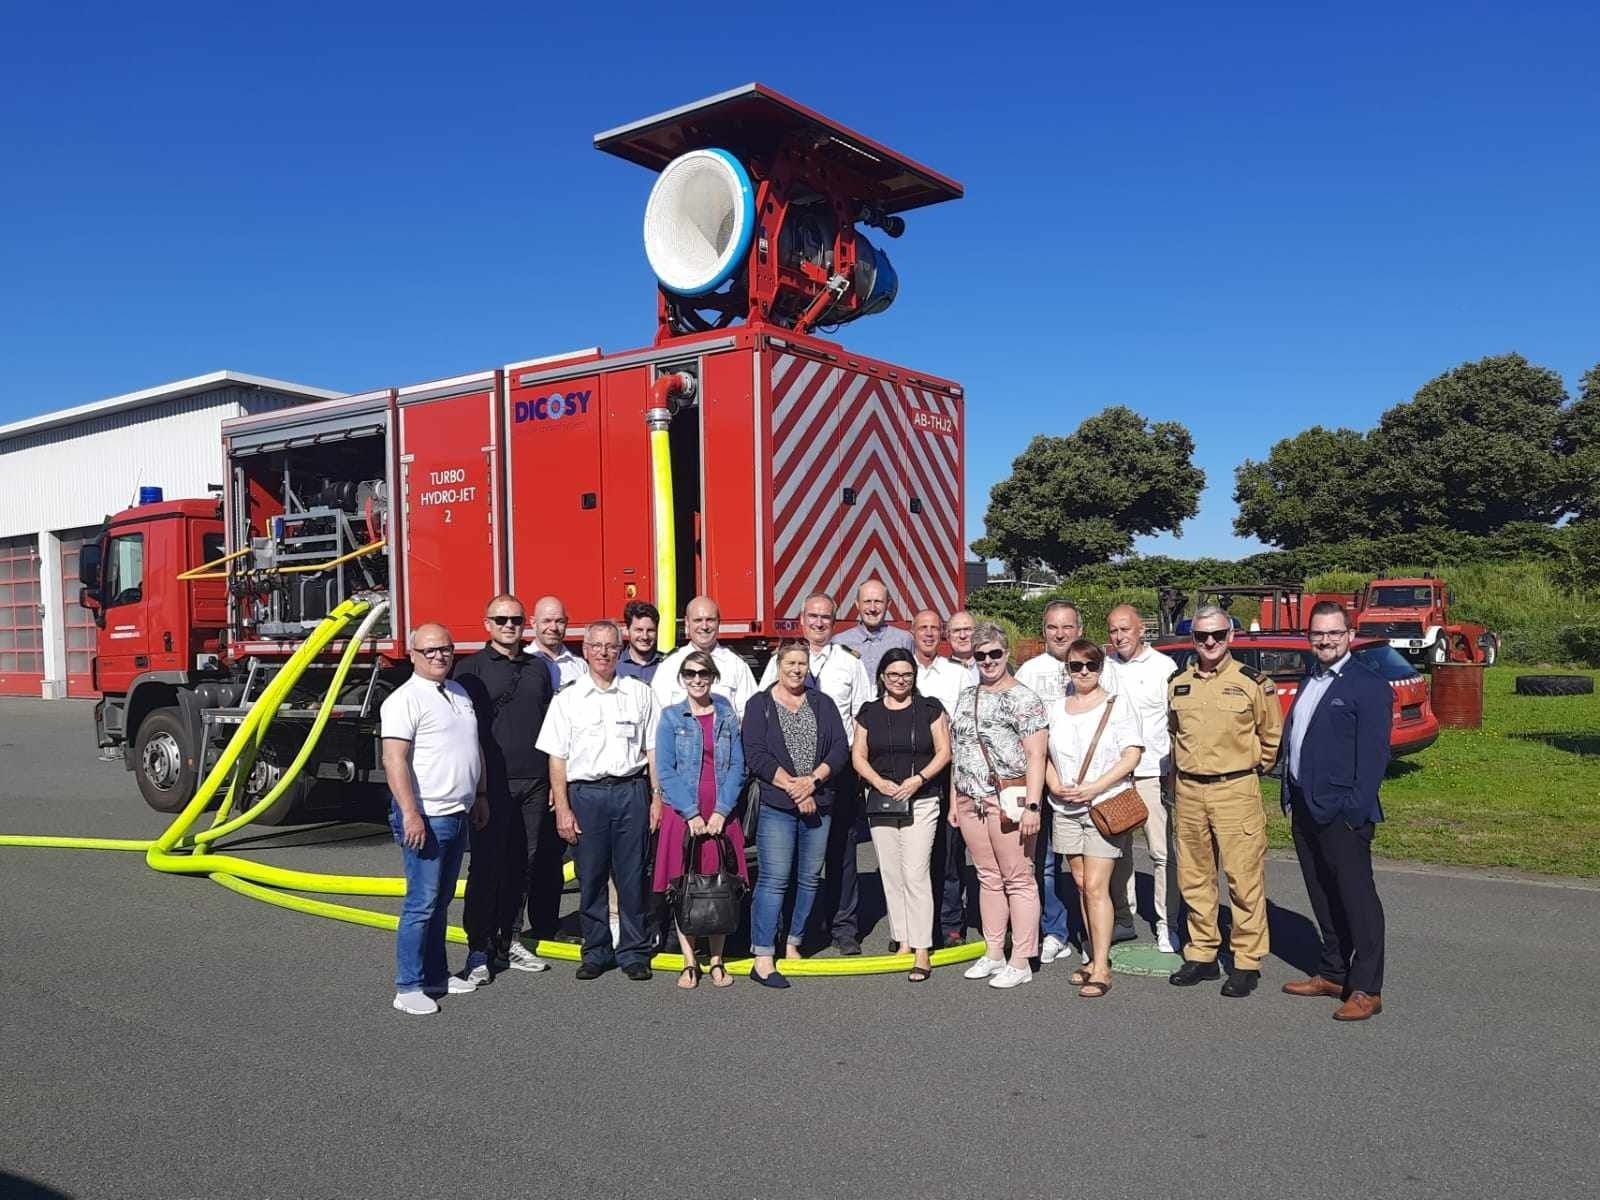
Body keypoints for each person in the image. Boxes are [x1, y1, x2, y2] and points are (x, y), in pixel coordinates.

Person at [1280, 601, 1391, 1021]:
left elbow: (1374, 757)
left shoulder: (1367, 684)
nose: (1325, 640)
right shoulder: (1313, 679)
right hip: (1306, 807)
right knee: (1323, 895)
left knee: (1358, 901)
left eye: (1333, 633)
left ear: (1349, 635)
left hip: (1343, 813)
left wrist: (1354, 809)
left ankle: (1366, 987)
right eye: (1318, 634)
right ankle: (1332, 972)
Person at [1167, 605, 1283, 998]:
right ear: (1193, 640)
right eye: (1203, 637)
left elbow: (1271, 739)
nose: (1211, 642)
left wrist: (1248, 768)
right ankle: (1202, 953)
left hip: (1235, 789)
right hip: (1189, 790)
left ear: (1231, 636)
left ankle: (1246, 960)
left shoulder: (1254, 683)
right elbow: (1174, 735)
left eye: (1218, 634)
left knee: (1243, 878)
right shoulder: (1179, 684)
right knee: (1194, 877)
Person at [537, 620, 662, 980]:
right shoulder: (569, 698)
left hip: (630, 792)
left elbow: (653, 749)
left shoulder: (639, 693)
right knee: (589, 877)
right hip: (586, 796)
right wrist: (562, 808)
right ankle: (596, 951)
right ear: (586, 651)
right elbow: (556, 758)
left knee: (632, 877)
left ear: (620, 651)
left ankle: (634, 952)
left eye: (611, 646)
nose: (604, 653)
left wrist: (657, 798)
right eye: (597, 646)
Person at [380, 623, 490, 1015]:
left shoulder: (458, 693)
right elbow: (394, 760)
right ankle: (407, 985)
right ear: (413, 655)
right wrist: (411, 813)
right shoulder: (403, 700)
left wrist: (479, 794)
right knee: (421, 903)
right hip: (427, 816)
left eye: (445, 649)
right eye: (429, 651)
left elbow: (471, 747)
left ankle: (436, 976)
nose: (439, 656)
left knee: (441, 901)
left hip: (457, 812)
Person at [758, 592, 872, 954]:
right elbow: (764, 713)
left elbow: (860, 718)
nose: (819, 622)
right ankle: (789, 931)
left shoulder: (849, 663)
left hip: (836, 774)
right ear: (802, 619)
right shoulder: (783, 660)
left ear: (834, 622)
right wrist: (794, 782)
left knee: (842, 854)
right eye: (813, 616)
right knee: (789, 859)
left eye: (826, 617)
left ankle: (843, 929)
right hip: (789, 781)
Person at [451, 594, 554, 981]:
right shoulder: (470, 670)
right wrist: (475, 789)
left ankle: (509, 939)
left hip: (533, 783)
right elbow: (463, 733)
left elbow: (549, 725)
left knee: (521, 867)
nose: (510, 625)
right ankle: (478, 948)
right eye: (502, 619)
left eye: (516, 619)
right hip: (490, 786)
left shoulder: (538, 669)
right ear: (487, 624)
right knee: (486, 868)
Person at [741, 641, 850, 988]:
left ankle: (793, 943)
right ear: (778, 664)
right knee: (774, 880)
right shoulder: (760, 705)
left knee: (807, 878)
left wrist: (813, 781)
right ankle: (762, 956)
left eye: (802, 663)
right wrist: (794, 787)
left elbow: (839, 749)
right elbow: (755, 753)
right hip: (777, 804)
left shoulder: (823, 703)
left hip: (819, 802)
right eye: (790, 662)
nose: (796, 669)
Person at [948, 622, 1048, 990]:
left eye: (994, 653)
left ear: (1006, 653)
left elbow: (1037, 756)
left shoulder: (1025, 698)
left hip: (1008, 798)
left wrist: (1034, 806)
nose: (988, 661)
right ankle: (993, 951)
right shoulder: (967, 696)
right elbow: (958, 751)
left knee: (1019, 878)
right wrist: (954, 801)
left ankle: (1021, 958)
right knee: (987, 877)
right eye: (980, 655)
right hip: (968, 797)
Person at [1044, 639, 1143, 998]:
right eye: (1076, 665)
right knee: (1082, 884)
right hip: (1065, 808)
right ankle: (1091, 955)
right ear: (1067, 669)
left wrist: (1094, 786)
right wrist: (1055, 786)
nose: (1083, 671)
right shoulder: (1055, 708)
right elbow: (1045, 755)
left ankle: (1102, 966)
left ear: (1101, 667)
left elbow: (1131, 755)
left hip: (1104, 804)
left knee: (1098, 886)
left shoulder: (1117, 706)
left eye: (1091, 665)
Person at [852, 648, 950, 981]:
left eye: (906, 674)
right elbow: (859, 756)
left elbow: (944, 752)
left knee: (915, 871)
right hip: (881, 800)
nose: (900, 680)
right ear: (881, 676)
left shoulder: (929, 709)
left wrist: (917, 780)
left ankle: (923, 948)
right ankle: (904, 939)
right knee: (892, 873)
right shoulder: (869, 712)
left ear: (914, 677)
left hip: (921, 799)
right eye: (893, 674)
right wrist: (879, 782)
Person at [653, 650, 748, 989]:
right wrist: (691, 813)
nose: (696, 679)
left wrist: (722, 810)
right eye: (690, 673)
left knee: (719, 884)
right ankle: (690, 962)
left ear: (712, 677)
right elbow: (665, 770)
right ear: (682, 677)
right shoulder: (670, 718)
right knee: (685, 887)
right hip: (684, 812)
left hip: (721, 809)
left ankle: (718, 961)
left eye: (703, 673)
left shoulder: (726, 715)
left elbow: (739, 766)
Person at [1015, 601, 1099, 964]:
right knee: (1043, 863)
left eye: (1067, 627)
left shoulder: (1090, 666)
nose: (1060, 634)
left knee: (1087, 868)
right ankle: (1055, 931)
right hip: (1041, 778)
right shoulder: (1030, 672)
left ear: (1079, 629)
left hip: (1085, 782)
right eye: (1052, 627)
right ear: (1044, 630)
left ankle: (1094, 936)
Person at [1106, 603, 1181, 952]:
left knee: (1162, 853)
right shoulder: (1105, 669)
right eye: (1113, 630)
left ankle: (1168, 924)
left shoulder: (1164, 667)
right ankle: (1125, 917)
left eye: (1125, 629)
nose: (1119, 636)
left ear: (1141, 631)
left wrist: (1173, 771)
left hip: (1153, 772)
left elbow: (1176, 724)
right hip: (1117, 777)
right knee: (1118, 853)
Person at [912, 608, 975, 946]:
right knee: (915, 856)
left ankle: (950, 922)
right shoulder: (902, 671)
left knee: (950, 854)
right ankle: (913, 927)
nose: (929, 634)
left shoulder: (958, 675)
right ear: (913, 631)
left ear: (943, 635)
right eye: (923, 628)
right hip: (910, 773)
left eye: (935, 629)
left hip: (950, 770)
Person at [653, 595, 758, 717]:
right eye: (698, 620)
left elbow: (751, 714)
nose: (704, 626)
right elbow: (658, 716)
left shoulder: (736, 664)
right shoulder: (670, 665)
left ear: (719, 622)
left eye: (710, 620)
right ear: (687, 622)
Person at [832, 578, 914, 684]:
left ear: (888, 604)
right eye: (867, 601)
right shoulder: (839, 642)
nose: (872, 608)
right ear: (857, 604)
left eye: (878, 602)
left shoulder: (904, 640)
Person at [530, 595, 587, 690]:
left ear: (566, 622)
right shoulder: (521, 663)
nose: (553, 628)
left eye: (559, 621)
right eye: (546, 621)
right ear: (533, 623)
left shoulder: (580, 666)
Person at [616, 599, 665, 683]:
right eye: (639, 630)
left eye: (650, 630)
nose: (645, 637)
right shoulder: (614, 666)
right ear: (627, 630)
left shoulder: (668, 664)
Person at [943, 609, 980, 686]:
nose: (962, 636)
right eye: (956, 631)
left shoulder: (992, 669)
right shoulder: (939, 671)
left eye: (967, 629)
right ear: (948, 637)